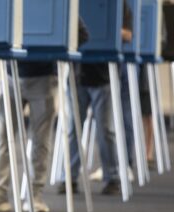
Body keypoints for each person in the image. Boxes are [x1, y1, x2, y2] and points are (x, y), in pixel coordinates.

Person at [60, 1, 133, 195]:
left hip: (103, 75)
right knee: (73, 129)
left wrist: (106, 31)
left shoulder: (117, 4)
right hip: (77, 73)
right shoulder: (75, 2)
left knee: (106, 130)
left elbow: (128, 34)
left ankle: (112, 177)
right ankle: (68, 178)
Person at [0, 61, 58, 212]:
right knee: (2, 138)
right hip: (10, 75)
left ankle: (34, 196)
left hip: (44, 78)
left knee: (40, 141)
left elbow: (79, 36)